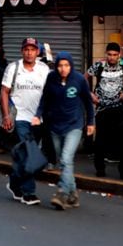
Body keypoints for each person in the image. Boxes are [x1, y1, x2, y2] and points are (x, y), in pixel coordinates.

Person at [33, 51, 95, 209]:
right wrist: (37, 115)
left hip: (74, 125)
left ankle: (62, 193)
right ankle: (73, 194)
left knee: (67, 159)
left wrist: (90, 122)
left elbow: (88, 102)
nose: (63, 69)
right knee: (64, 161)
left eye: (66, 65)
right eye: (60, 65)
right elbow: (44, 99)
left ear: (71, 66)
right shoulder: (51, 78)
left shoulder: (79, 80)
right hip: (55, 126)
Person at [0, 37, 51, 206]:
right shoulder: (13, 68)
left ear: (38, 52)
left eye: (32, 50)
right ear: (22, 51)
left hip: (38, 119)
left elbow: (50, 91)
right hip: (20, 118)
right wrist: (6, 116)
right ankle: (29, 192)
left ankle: (14, 183)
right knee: (29, 154)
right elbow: (4, 92)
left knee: (27, 156)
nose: (29, 53)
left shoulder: (44, 69)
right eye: (26, 49)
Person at [88, 42, 123, 180]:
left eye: (115, 55)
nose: (112, 57)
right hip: (102, 108)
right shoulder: (99, 65)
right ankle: (100, 168)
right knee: (100, 139)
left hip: (119, 107)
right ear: (106, 54)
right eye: (110, 54)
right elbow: (84, 78)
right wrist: (90, 94)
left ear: (119, 55)